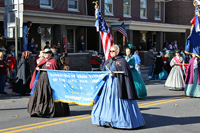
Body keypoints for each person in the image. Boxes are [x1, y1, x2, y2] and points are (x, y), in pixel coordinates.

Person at [91, 45, 145, 129]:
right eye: (110, 51)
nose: (111, 53)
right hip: (108, 84)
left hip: (118, 84)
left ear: (117, 52)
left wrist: (116, 74)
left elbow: (126, 74)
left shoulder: (122, 61)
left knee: (118, 102)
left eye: (113, 51)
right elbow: (103, 70)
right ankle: (106, 119)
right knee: (107, 102)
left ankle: (120, 121)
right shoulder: (108, 60)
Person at [27, 48, 70, 118]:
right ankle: (38, 109)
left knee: (48, 95)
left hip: (49, 82)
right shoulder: (42, 61)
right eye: (44, 53)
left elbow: (56, 71)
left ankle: (47, 110)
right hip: (41, 81)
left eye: (47, 53)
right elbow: (37, 70)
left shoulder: (53, 61)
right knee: (40, 95)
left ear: (50, 54)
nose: (45, 55)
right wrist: (37, 69)